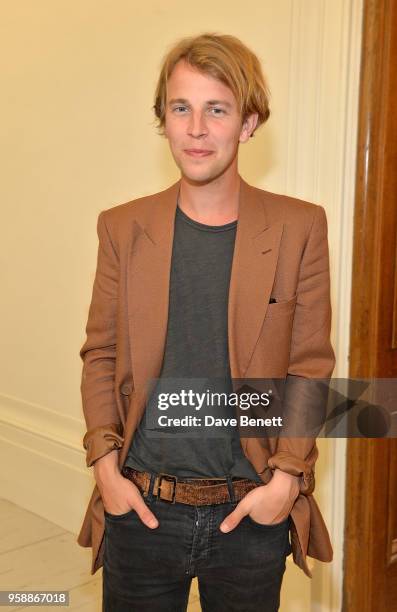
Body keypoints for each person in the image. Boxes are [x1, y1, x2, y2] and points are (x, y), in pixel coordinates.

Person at [77, 32, 336, 612]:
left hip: (249, 514)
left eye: (216, 109)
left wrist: (287, 479)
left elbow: (310, 367)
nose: (196, 128)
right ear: (163, 120)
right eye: (181, 108)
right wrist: (105, 469)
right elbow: (101, 353)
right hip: (141, 509)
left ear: (247, 124)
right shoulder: (122, 228)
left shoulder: (299, 228)